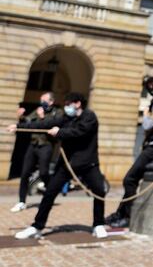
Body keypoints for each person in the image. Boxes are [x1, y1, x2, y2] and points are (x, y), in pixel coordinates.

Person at [10, 92, 108, 239]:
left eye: (68, 104)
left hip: (88, 163)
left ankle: (98, 224)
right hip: (66, 164)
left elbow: (80, 132)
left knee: (99, 191)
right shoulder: (66, 117)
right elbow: (45, 123)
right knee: (49, 193)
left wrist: (60, 132)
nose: (66, 107)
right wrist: (19, 126)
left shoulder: (89, 116)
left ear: (77, 104)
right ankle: (37, 226)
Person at [105, 77, 153, 228]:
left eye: (151, 85)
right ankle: (120, 213)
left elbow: (147, 125)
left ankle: (128, 216)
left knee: (130, 179)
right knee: (131, 180)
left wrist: (146, 113)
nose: (150, 88)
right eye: (148, 86)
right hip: (152, 145)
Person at [8, 92, 60, 212]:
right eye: (41, 100)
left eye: (44, 100)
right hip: (33, 145)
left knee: (43, 173)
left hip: (46, 145)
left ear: (51, 102)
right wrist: (20, 118)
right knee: (25, 173)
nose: (42, 102)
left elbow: (51, 124)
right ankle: (21, 201)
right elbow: (29, 121)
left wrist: (42, 117)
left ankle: (49, 191)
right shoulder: (38, 110)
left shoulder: (57, 112)